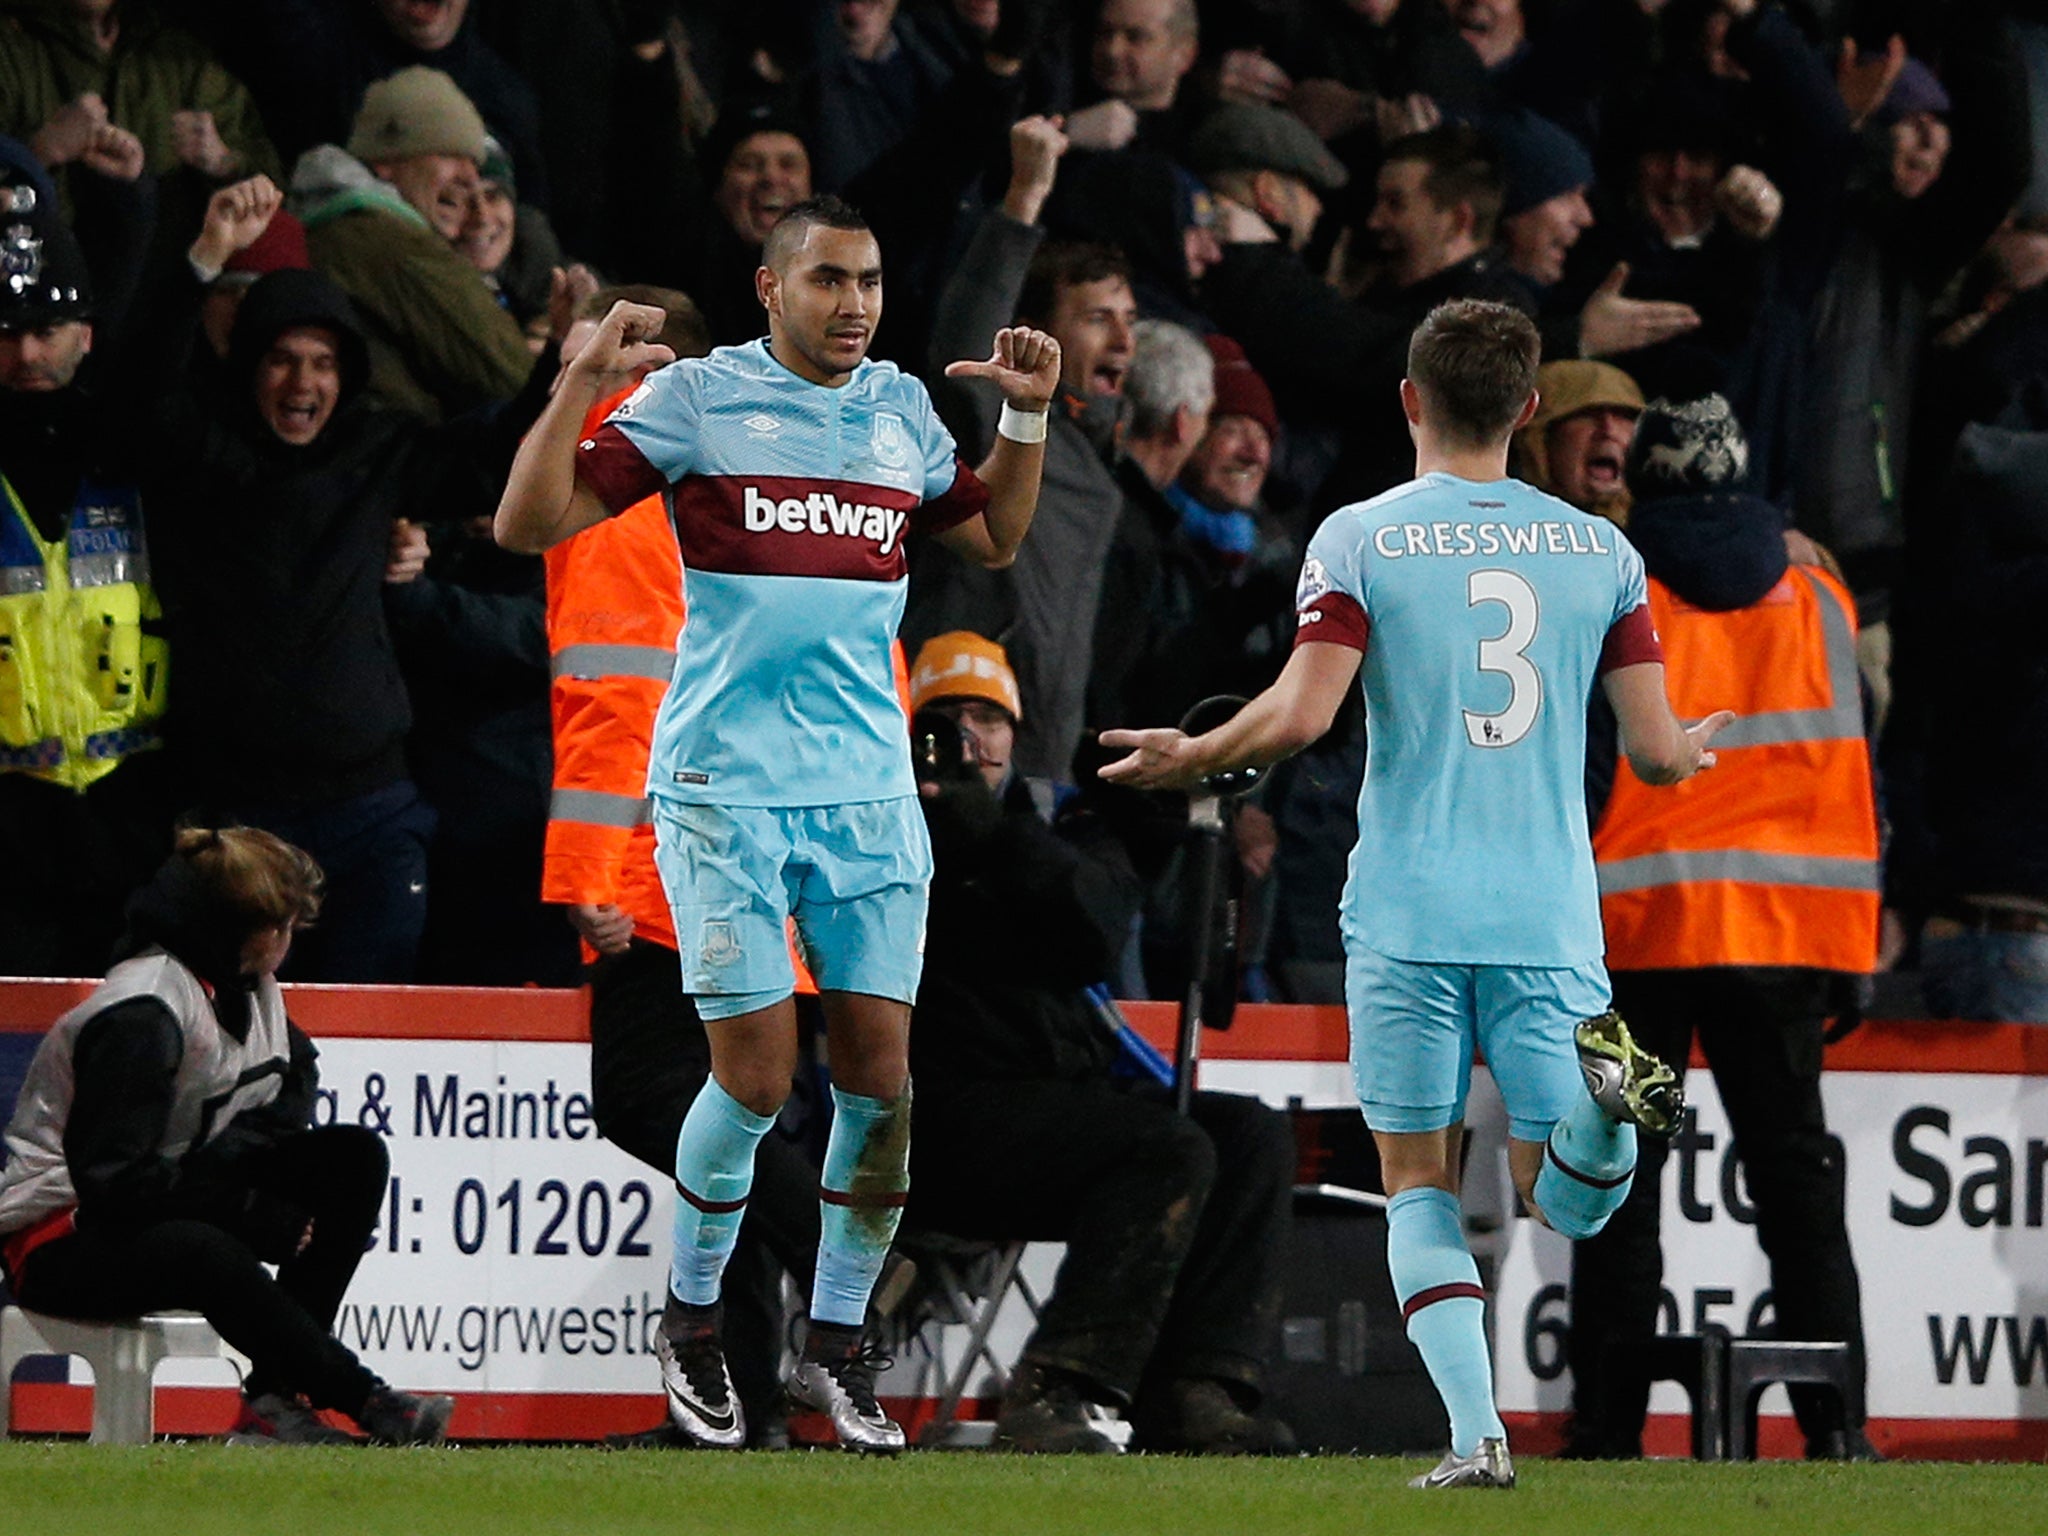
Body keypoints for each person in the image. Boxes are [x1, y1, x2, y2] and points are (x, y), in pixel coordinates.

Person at [1099, 299, 1730, 1489]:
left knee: (1416, 1181)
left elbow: (1301, 714)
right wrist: (1689, 750)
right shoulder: (1600, 551)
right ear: (1529, 412)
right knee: (1566, 1202)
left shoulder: (1359, 538)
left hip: (1406, 909)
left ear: (1408, 401)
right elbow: (1649, 756)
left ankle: (1474, 1437)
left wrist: (1188, 757)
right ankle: (1604, 1113)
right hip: (1547, 916)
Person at [493, 194, 1060, 1453]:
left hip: (865, 803)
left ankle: (837, 1350)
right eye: (827, 282)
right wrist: (576, 379)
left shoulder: (902, 413)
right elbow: (525, 523)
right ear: (769, 289)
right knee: (750, 1083)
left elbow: (999, 535)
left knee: (879, 1085)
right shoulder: (696, 403)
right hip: (723, 794)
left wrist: (1024, 413)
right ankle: (692, 1324)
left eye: (867, 281)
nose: (853, 304)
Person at [1569, 390, 1880, 1462]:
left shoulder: (1612, 591)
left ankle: (1605, 1435)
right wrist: (1851, 958)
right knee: (1795, 1181)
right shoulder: (1819, 597)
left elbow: (1584, 776)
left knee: (1617, 1174)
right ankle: (1837, 1432)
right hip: (1784, 941)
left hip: (1633, 944)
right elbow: (1853, 773)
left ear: (1644, 481)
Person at [539, 282, 825, 1445]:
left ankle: (849, 1256)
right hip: (775, 869)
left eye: (597, 368)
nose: (580, 390)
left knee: (656, 1108)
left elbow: (616, 701)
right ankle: (738, 1407)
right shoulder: (753, 495)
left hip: (672, 877)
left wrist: (590, 878)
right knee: (728, 1127)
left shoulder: (625, 508)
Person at [903, 631, 1297, 1454]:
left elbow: (1093, 930)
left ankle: (1198, 1386)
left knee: (1250, 1134)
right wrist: (952, 821)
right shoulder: (887, 829)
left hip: (1055, 1109)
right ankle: (1059, 1386)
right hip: (941, 1119)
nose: (972, 738)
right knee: (1165, 1149)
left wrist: (1005, 832)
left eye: (989, 716)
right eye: (948, 718)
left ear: (1017, 730)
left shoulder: (1054, 819)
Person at [0, 825, 452, 1446]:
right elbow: (113, 1183)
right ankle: (364, 1398)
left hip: (156, 1196)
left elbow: (290, 1089)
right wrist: (246, 1212)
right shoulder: (144, 1011)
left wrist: (258, 1190)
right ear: (248, 929)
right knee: (204, 1247)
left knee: (351, 1160)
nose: (292, 941)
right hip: (58, 1237)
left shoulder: (244, 986)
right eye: (286, 926)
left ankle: (274, 1400)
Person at [0, 197, 175, 979]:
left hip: (130, 812)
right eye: (6, 336)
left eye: (45, 331)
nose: (26, 354)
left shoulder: (134, 451)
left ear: (87, 336)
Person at [1510, 359, 1644, 525]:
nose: (1609, 430)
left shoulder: (1665, 533)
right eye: (1586, 414)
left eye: (1623, 416)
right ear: (1540, 439)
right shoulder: (1502, 526)